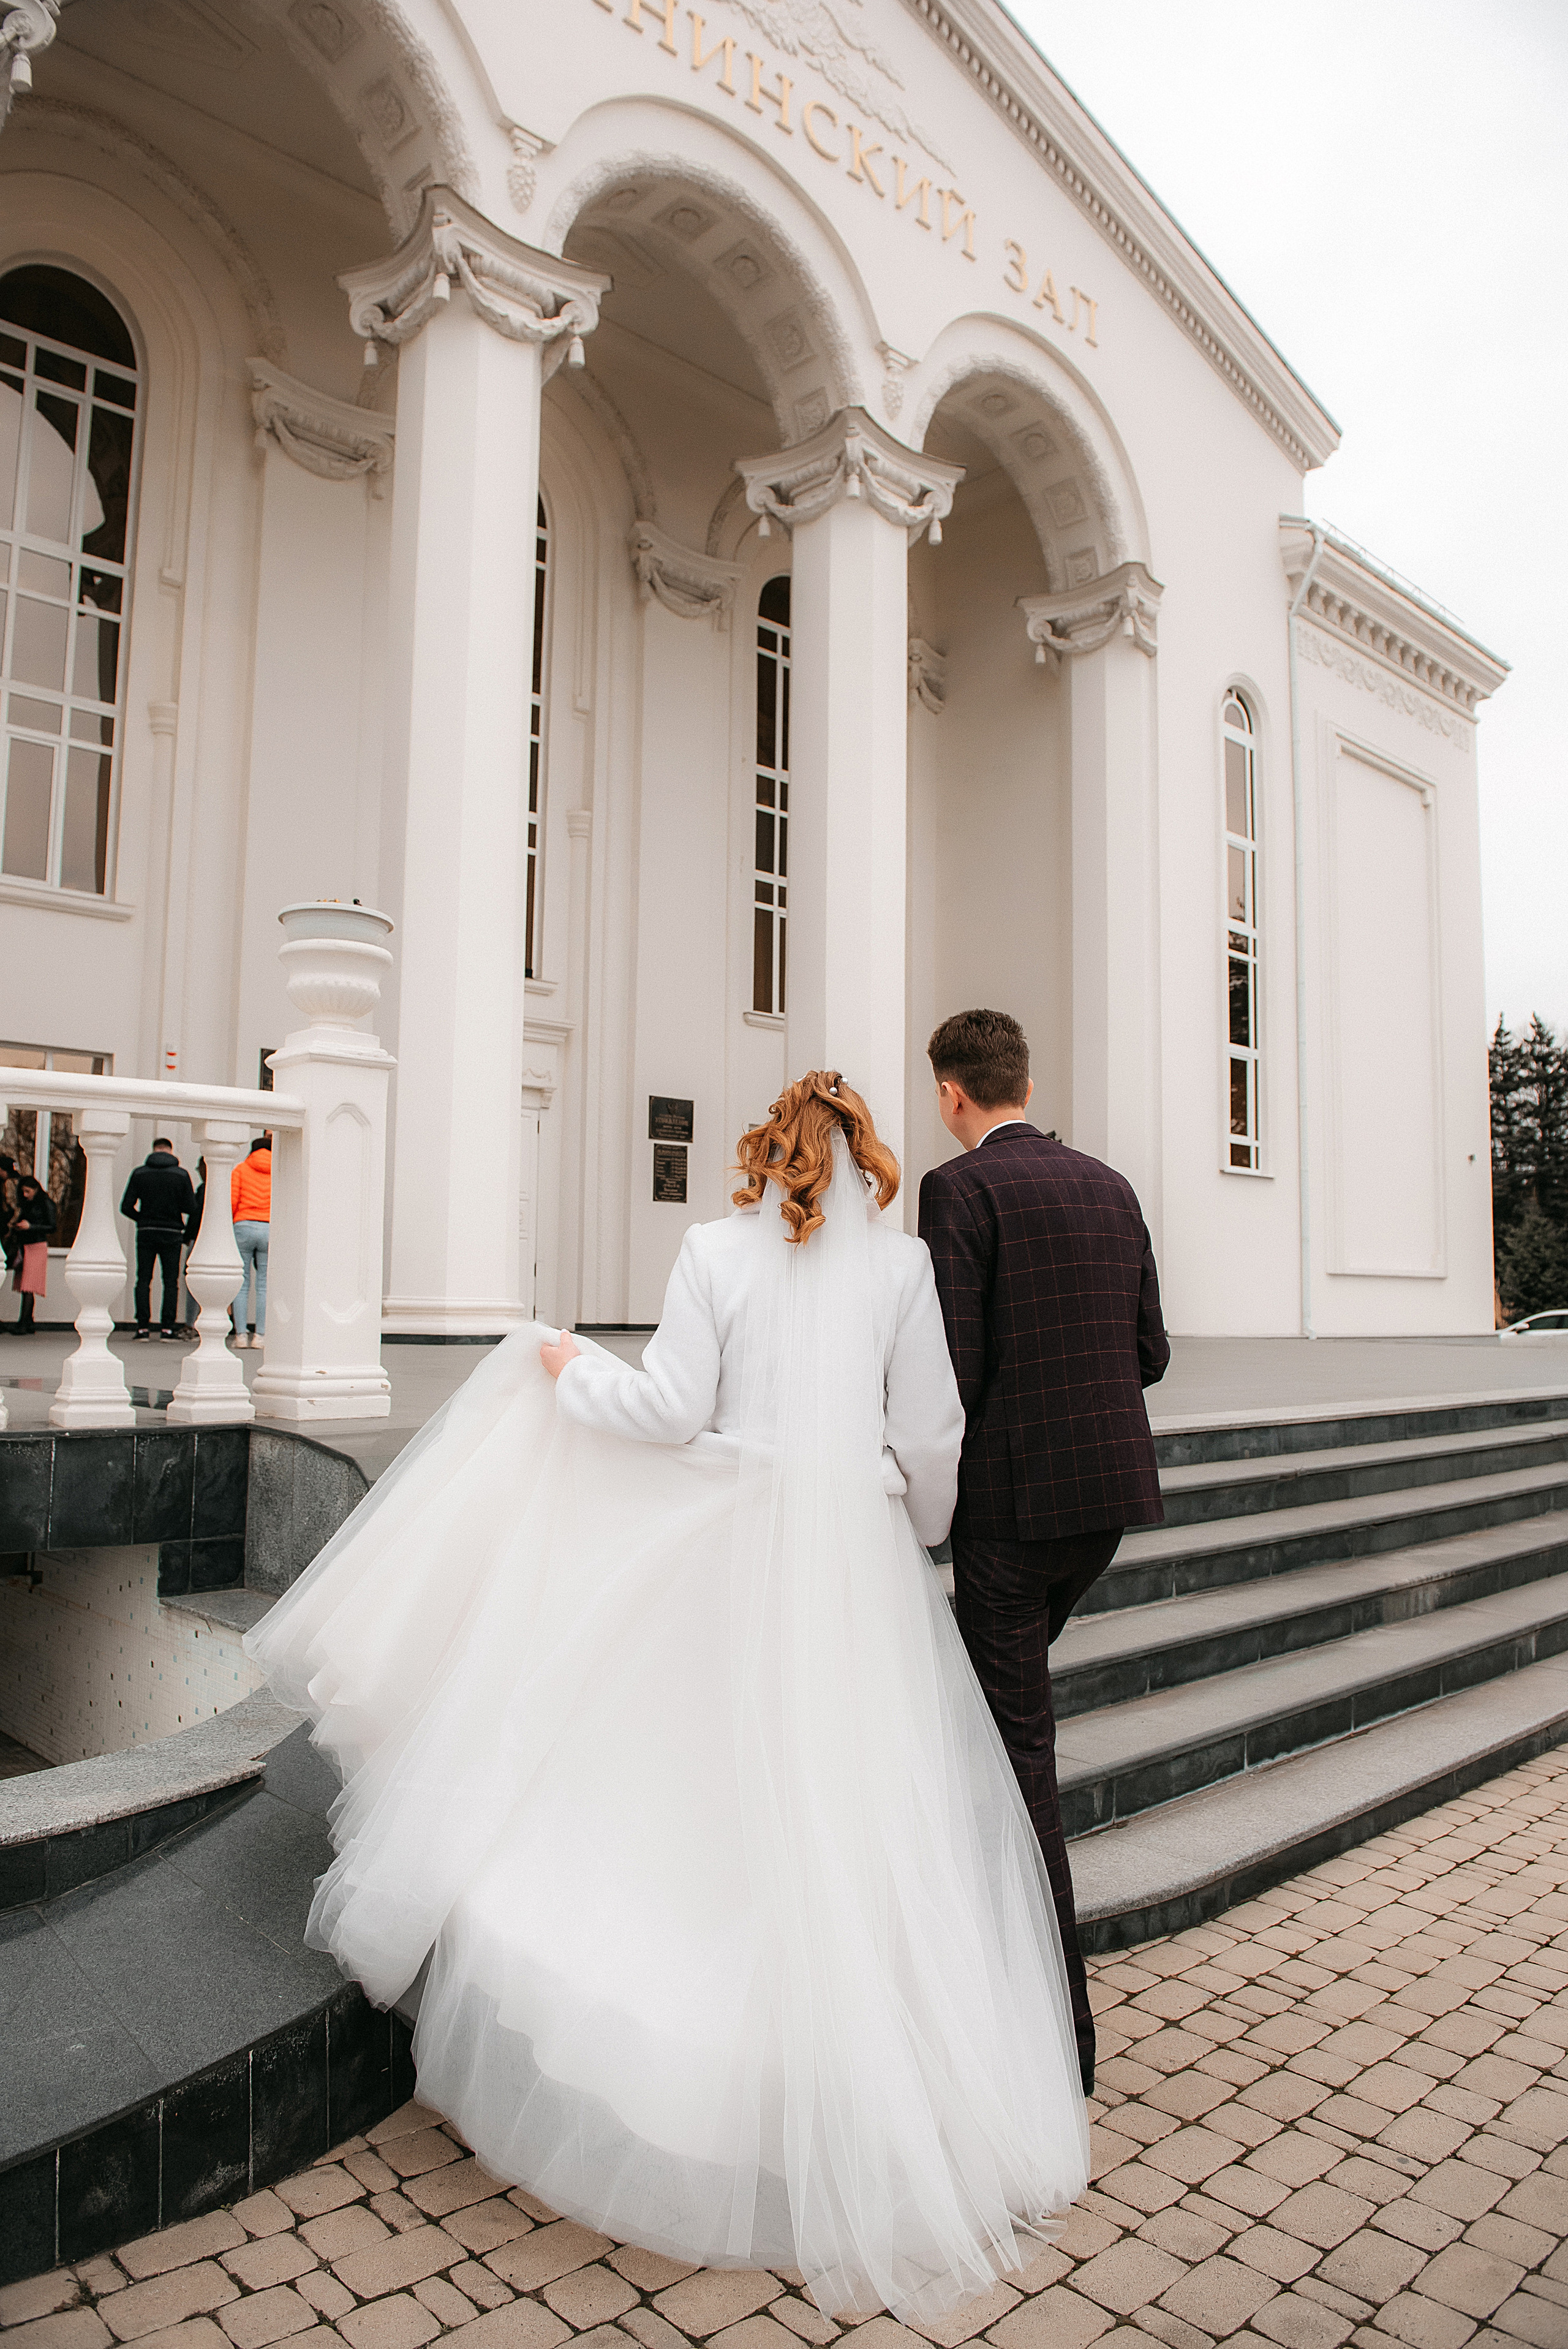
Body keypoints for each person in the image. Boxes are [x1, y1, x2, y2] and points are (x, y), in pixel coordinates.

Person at [246, 1073, 1088, 2322]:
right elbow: (928, 1439)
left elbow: (667, 1411)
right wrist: (909, 1534)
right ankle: (855, 2102)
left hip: (732, 1550)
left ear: (763, 1155)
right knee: (854, 1813)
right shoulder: (901, 1274)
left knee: (696, 1799)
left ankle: (685, 2098)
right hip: (854, 1565)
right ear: (865, 1162)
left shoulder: (708, 1252)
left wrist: (563, 1371)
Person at [918, 1010, 1169, 2098]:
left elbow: (952, 1373)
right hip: (1103, 1504)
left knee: (1019, 1754)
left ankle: (1058, 2036)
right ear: (1023, 1077)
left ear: (951, 1092)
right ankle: (961, 1946)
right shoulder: (1110, 1184)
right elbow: (1150, 1351)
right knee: (985, 1717)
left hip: (1012, 1515)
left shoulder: (957, 1188)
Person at [119, 1137, 196, 1340]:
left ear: (154, 1151)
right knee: (170, 1281)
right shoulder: (181, 1175)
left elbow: (126, 1206)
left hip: (147, 1231)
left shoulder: (140, 1173)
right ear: (171, 1151)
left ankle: (143, 1327)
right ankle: (167, 1328)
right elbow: (191, 1207)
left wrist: (142, 1218)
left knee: (144, 1278)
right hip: (172, 1233)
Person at [230, 1134, 271, 1347]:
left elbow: (233, 1200)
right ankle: (261, 1336)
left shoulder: (241, 1169)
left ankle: (241, 1335)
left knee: (242, 1282)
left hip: (244, 1225)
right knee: (264, 1284)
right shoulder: (279, 1170)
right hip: (269, 1226)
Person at [6, 1174, 57, 1333]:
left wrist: (31, 1227)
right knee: (26, 1285)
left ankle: (24, 1323)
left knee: (29, 1285)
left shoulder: (46, 1203)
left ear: (36, 1189)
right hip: (26, 1245)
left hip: (36, 1245)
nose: (25, 1195)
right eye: (23, 1192)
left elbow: (52, 1227)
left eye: (28, 1191)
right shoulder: (30, 1204)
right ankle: (28, 1321)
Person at [183, 1157, 206, 1326]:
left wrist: (187, 1237)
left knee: (193, 1281)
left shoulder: (202, 1189)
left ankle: (191, 1323)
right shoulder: (227, 1187)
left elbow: (195, 1215)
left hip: (198, 1239)